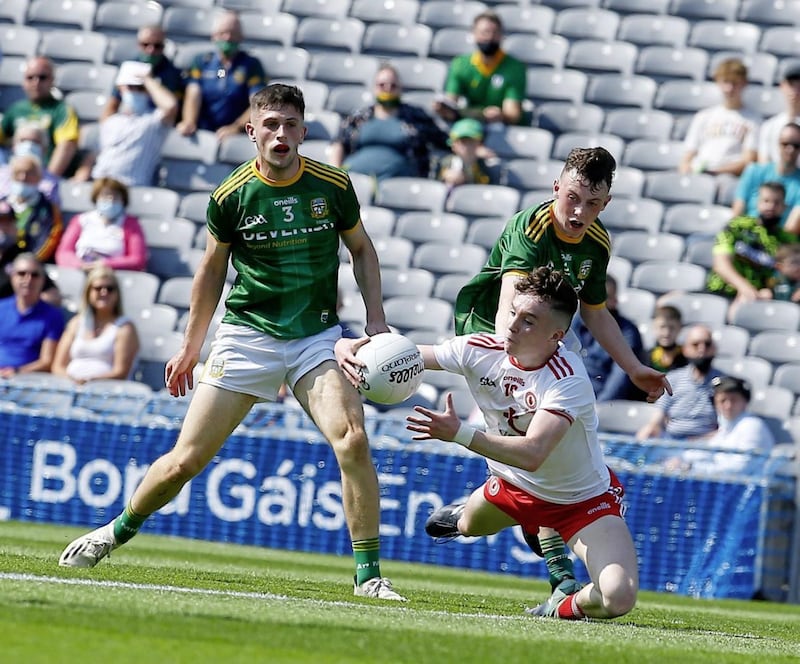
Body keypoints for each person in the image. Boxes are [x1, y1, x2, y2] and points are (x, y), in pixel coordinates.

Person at [58, 83, 406, 602]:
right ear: (251, 132)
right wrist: (190, 346)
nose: (281, 133)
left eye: (290, 124)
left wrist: (375, 319)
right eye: (270, 124)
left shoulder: (333, 185)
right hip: (247, 336)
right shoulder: (230, 195)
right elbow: (211, 271)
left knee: (353, 441)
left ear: (304, 132)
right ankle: (115, 531)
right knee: (186, 461)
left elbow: (363, 250)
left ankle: (368, 575)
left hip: (315, 338)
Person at [338, 267, 639, 619]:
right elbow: (404, 356)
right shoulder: (479, 349)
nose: (512, 325)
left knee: (618, 597)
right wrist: (351, 347)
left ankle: (561, 606)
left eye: (528, 321)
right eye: (513, 313)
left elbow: (533, 453)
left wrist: (460, 435)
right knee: (465, 527)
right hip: (511, 486)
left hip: (580, 502)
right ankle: (472, 514)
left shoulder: (566, 378)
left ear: (556, 334)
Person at [452, 146, 670, 613]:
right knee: (540, 456)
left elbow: (595, 311)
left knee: (548, 453)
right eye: (572, 198)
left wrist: (633, 366)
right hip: (494, 333)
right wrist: (509, 363)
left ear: (605, 205)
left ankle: (549, 573)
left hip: (542, 339)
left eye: (592, 204)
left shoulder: (597, 244)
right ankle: (558, 578)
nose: (578, 212)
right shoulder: (531, 227)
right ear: (557, 188)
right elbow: (513, 301)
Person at [328, 64, 449, 181]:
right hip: (355, 182)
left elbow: (447, 142)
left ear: (400, 89)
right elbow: (338, 143)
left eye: (393, 86)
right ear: (374, 88)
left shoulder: (415, 117)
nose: (387, 89)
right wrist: (335, 176)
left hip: (399, 184)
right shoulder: (359, 117)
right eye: (382, 85)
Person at [72, 60, 178, 186]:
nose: (135, 91)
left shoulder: (153, 121)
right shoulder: (111, 121)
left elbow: (171, 106)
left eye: (140, 88)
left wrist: (148, 80)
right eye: (130, 87)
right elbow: (95, 154)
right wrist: (81, 176)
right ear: (121, 89)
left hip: (131, 189)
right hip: (100, 184)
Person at [707, 181, 797, 321]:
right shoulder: (737, 226)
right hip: (721, 292)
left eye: (776, 202)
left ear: (784, 207)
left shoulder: (788, 241)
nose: (771, 206)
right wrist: (744, 287)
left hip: (759, 300)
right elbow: (721, 264)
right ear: (757, 202)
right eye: (766, 201)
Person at [176, 10, 267, 140]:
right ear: (214, 36)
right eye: (223, 33)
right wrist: (189, 121)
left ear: (241, 37)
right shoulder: (201, 62)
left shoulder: (251, 65)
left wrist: (237, 127)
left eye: (233, 33)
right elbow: (193, 94)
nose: (228, 37)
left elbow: (258, 102)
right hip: (203, 131)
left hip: (236, 134)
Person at [664, 376, 775, 474]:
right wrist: (681, 459)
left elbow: (741, 469)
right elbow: (707, 452)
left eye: (734, 400)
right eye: (722, 401)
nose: (728, 406)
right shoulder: (726, 428)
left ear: (745, 402)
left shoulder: (752, 426)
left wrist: (691, 467)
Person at [433, 11, 526, 127]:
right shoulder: (460, 64)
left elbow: (513, 114)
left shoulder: (514, 68)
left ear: (501, 36)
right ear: (474, 34)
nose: (490, 37)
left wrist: (500, 115)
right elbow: (451, 101)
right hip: (471, 123)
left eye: (495, 33)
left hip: (500, 127)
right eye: (484, 32)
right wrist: (444, 109)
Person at [51, 265, 139, 384]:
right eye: (98, 288)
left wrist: (89, 381)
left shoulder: (125, 327)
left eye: (110, 288)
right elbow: (58, 366)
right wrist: (72, 381)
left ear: (117, 294)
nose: (104, 292)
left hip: (106, 392)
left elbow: (121, 372)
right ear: (88, 292)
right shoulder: (76, 323)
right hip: (69, 388)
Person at [636, 324, 722, 442]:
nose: (702, 349)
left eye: (707, 344)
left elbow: (726, 425)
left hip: (706, 443)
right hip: (671, 441)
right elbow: (658, 416)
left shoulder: (724, 383)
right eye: (695, 345)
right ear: (685, 350)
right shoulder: (673, 379)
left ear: (714, 348)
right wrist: (651, 428)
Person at [678, 58, 759, 177]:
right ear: (718, 82)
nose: (729, 89)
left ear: (744, 84)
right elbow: (687, 157)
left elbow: (748, 161)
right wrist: (687, 173)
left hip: (730, 178)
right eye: (726, 82)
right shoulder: (703, 116)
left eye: (735, 83)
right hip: (699, 174)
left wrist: (715, 172)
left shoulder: (753, 120)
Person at [0, 57, 80, 178]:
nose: (36, 82)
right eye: (30, 77)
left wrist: (47, 179)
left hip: (44, 174)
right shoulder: (16, 109)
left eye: (42, 77)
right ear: (23, 82)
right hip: (16, 175)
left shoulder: (62, 110)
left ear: (52, 80)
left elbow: (66, 146)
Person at [571, 275, 643, 402]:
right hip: (567, 393)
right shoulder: (571, 322)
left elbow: (620, 375)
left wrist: (599, 406)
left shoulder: (626, 331)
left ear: (614, 301)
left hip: (599, 399)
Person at [55, 177, 147, 272]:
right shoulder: (81, 220)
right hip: (79, 272)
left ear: (123, 200)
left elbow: (137, 260)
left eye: (115, 196)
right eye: (105, 195)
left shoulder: (131, 224)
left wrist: (106, 264)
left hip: (111, 276)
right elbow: (63, 253)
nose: (110, 200)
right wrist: (79, 265)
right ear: (96, 198)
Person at [100, 24, 185, 122]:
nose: (151, 50)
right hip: (129, 122)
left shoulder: (172, 73)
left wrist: (148, 80)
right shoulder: (128, 67)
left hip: (157, 125)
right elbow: (112, 105)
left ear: (164, 46)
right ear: (139, 44)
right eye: (145, 45)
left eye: (157, 46)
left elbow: (170, 108)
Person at [0, 252, 65, 377]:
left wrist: (17, 372)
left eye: (34, 275)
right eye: (21, 273)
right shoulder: (1, 308)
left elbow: (47, 361)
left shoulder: (52, 316)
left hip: (28, 382)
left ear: (43, 280)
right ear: (12, 277)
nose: (28, 279)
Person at [731, 122, 800, 227]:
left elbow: (791, 229)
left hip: (780, 240)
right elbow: (737, 214)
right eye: (785, 143)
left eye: (796, 145)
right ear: (778, 143)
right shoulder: (753, 171)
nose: (790, 149)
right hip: (746, 235)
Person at [2, 153, 63, 262]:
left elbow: (50, 239)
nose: (23, 177)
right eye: (18, 172)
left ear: (40, 177)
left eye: (29, 173)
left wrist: (30, 262)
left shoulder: (49, 209)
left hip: (28, 267)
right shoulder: (2, 203)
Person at [0, 197, 59, 303]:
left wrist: (21, 305)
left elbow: (53, 295)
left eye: (7, 222)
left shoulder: (23, 258)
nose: (2, 228)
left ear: (15, 226)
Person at [0, 122, 61, 204]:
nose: (29, 145)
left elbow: (53, 212)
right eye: (23, 140)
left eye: (35, 141)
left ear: (45, 148)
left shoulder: (52, 182)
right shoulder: (2, 175)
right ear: (14, 145)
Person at [758, 63, 800, 164]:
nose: (796, 91)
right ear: (782, 86)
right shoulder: (769, 126)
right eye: (791, 84)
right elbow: (764, 164)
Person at [437, 117, 492, 192]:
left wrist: (466, 177)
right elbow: (434, 182)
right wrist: (445, 176)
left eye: (470, 142)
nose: (466, 146)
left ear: (479, 144)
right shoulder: (445, 161)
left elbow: (485, 187)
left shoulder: (482, 164)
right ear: (453, 145)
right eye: (462, 142)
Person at [644, 305, 687, 374]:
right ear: (654, 327)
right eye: (662, 327)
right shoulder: (645, 357)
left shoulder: (686, 357)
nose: (666, 333)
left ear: (680, 328)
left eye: (672, 328)